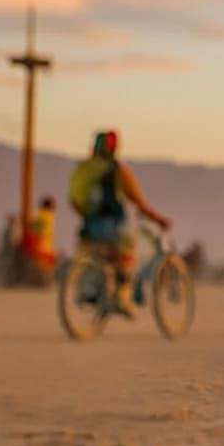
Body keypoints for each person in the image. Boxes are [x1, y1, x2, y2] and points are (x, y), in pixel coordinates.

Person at [69, 130, 172, 317]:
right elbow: (139, 201)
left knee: (95, 261)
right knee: (128, 260)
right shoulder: (118, 170)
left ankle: (95, 292)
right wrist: (159, 219)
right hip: (114, 229)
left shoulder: (84, 169)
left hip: (88, 229)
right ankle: (122, 298)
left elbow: (75, 202)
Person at [19, 196, 57, 288]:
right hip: (42, 247)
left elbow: (31, 226)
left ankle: (44, 284)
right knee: (43, 270)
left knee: (42, 270)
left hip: (41, 247)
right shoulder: (46, 216)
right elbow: (36, 228)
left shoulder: (42, 215)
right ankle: (45, 285)